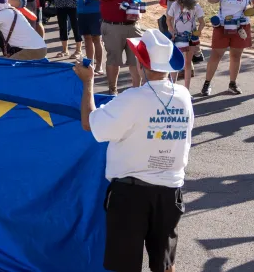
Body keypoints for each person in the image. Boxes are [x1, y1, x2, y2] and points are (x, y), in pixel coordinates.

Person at [74, 29, 192, 272]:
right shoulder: (184, 95)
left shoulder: (132, 98)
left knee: (125, 264)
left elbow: (89, 123)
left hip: (131, 194)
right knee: (165, 263)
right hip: (170, 192)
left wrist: (88, 82)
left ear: (141, 64)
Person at [89, 0, 145, 91]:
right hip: (113, 26)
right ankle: (112, 90)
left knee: (137, 60)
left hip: (134, 24)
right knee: (114, 60)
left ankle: (137, 91)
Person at [199, 0, 254, 96]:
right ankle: (207, 84)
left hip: (241, 25)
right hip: (222, 25)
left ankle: (232, 84)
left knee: (236, 55)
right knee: (216, 55)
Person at [69, 0, 103, 75]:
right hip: (82, 11)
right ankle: (90, 64)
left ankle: (99, 65)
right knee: (87, 38)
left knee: (96, 39)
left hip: (96, 11)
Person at [168, 0, 205, 90]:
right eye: (181, 5)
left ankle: (187, 89)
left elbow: (202, 22)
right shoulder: (174, 5)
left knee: (188, 63)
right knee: (175, 62)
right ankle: (173, 88)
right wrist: (171, 29)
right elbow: (168, 19)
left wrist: (198, 31)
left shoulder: (195, 6)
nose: (182, 8)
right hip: (177, 36)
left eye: (184, 6)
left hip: (190, 36)